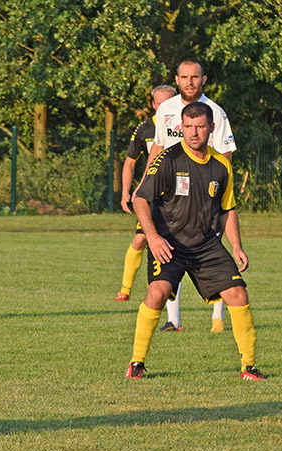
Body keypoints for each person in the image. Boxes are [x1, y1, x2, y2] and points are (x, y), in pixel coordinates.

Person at [125, 101, 265, 381]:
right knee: (157, 293)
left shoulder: (221, 165)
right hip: (169, 244)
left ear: (211, 128)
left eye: (200, 126)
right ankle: (136, 363)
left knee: (238, 294)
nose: (193, 132)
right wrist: (152, 237)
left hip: (206, 246)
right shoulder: (168, 159)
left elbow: (227, 209)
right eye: (188, 126)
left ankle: (248, 367)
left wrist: (237, 246)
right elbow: (140, 198)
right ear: (181, 127)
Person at [139, 59, 236, 333]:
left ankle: (217, 316)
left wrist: (214, 190)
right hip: (169, 196)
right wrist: (144, 183)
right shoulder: (166, 110)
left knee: (213, 254)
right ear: (177, 79)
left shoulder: (216, 112)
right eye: (184, 77)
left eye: (195, 77)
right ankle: (174, 320)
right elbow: (158, 147)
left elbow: (225, 155)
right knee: (169, 254)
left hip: (203, 198)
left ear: (203, 79)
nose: (189, 82)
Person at [114, 85, 176, 302]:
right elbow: (130, 162)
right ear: (153, 105)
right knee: (141, 239)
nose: (164, 107)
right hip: (153, 194)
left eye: (168, 102)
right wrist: (126, 192)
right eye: (160, 103)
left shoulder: (186, 125)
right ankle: (125, 290)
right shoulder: (145, 129)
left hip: (179, 194)